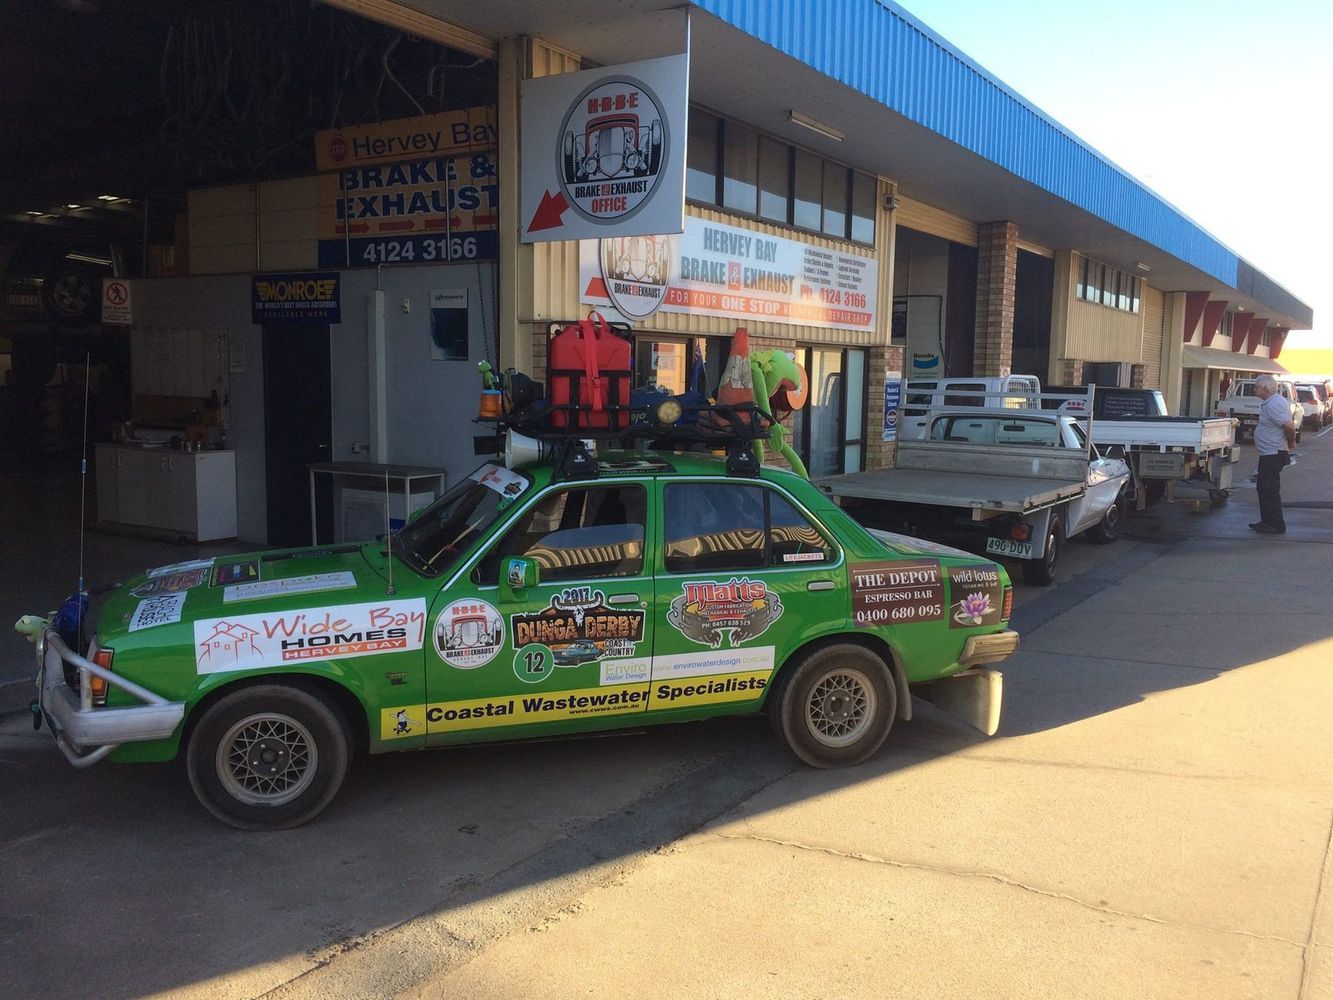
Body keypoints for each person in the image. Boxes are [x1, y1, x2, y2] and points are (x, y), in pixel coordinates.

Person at [1250, 374, 1296, 534]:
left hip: (1273, 453)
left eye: (1257, 387)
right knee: (1263, 488)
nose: (1255, 389)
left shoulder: (1274, 404)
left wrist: (1291, 443)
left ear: (1266, 388)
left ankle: (1276, 525)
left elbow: (1289, 426)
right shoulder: (1270, 402)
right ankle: (1267, 521)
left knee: (1269, 489)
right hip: (1268, 453)